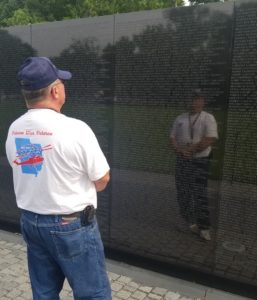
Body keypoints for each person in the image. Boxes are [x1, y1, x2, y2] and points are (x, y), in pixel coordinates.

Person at [5, 57, 112, 300]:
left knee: (44, 293)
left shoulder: (15, 128)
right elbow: (102, 179)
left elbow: (29, 169)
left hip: (32, 223)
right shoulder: (75, 129)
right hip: (71, 227)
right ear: (55, 90)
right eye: (61, 83)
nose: (64, 87)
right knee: (93, 294)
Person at [170, 91, 218, 241]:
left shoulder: (207, 118)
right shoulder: (180, 118)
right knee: (183, 192)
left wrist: (190, 150)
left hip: (200, 161)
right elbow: (172, 137)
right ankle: (190, 222)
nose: (195, 103)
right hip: (182, 160)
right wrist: (179, 150)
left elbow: (210, 138)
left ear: (203, 102)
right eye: (192, 100)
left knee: (199, 194)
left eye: (198, 100)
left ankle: (204, 227)